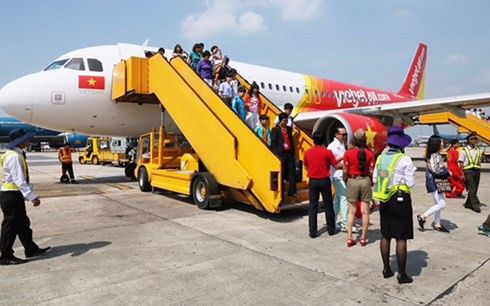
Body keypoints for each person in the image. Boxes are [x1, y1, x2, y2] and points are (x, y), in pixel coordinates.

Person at [0, 128, 50, 265]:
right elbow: (19, 180)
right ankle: (5, 256)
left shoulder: (14, 154)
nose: (28, 141)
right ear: (20, 141)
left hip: (12, 194)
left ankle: (31, 249)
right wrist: (32, 197)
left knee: (23, 223)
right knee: (10, 226)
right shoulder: (14, 157)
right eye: (26, 139)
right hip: (11, 195)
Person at [373, 126, 416, 284]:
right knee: (401, 237)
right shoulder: (405, 159)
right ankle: (402, 274)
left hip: (385, 200)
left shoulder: (380, 158)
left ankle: (386, 268)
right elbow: (410, 183)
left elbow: (377, 178)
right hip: (400, 201)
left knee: (386, 234)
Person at [343, 129, 375, 247]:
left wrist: (345, 180)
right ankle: (363, 238)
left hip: (352, 180)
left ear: (354, 140)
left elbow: (345, 170)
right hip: (365, 180)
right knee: (365, 212)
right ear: (365, 139)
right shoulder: (370, 153)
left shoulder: (348, 153)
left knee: (351, 211)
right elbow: (372, 171)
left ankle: (350, 237)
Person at [304, 131, 338, 238]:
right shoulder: (327, 152)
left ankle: (312, 231)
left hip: (313, 180)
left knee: (313, 206)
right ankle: (331, 228)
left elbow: (306, 164)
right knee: (328, 205)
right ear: (323, 140)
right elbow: (335, 164)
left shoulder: (308, 152)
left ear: (313, 140)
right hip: (324, 179)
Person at [417, 136, 450, 233]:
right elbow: (435, 170)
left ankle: (437, 223)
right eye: (441, 142)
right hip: (434, 182)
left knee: (438, 203)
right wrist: (448, 172)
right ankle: (423, 216)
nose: (443, 143)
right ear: (436, 143)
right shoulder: (434, 155)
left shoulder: (436, 154)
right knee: (442, 204)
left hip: (437, 181)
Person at [327, 127, 350, 233]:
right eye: (343, 134)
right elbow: (333, 163)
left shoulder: (342, 145)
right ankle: (345, 223)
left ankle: (332, 220)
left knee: (337, 199)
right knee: (344, 198)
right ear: (336, 134)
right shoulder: (332, 147)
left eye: (346, 134)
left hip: (341, 175)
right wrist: (345, 165)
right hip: (337, 176)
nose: (345, 136)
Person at [271, 113, 297, 197]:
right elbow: (274, 143)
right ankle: (281, 192)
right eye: (284, 120)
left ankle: (292, 191)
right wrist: (276, 154)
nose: (286, 122)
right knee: (282, 173)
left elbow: (291, 141)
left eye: (286, 120)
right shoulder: (275, 130)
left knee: (292, 172)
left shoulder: (289, 129)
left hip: (289, 153)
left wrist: (293, 153)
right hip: (281, 154)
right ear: (280, 121)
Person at [459, 132, 482, 213]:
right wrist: (462, 174)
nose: (474, 140)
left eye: (475, 139)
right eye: (472, 139)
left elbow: (479, 160)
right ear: (468, 140)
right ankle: (474, 205)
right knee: (472, 188)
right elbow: (461, 163)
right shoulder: (464, 150)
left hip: (477, 170)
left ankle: (468, 203)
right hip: (468, 171)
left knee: (475, 188)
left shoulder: (478, 149)